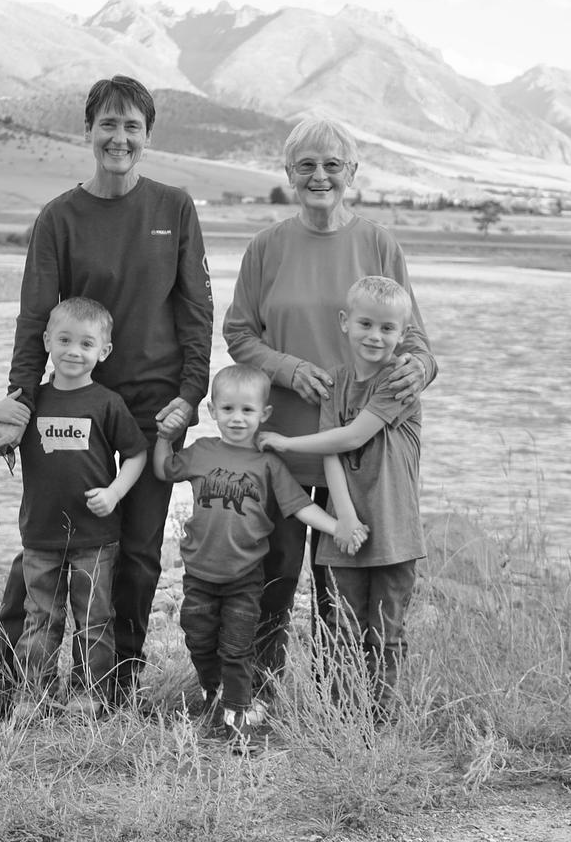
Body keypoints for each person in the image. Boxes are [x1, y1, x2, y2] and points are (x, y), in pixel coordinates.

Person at [0, 75, 213, 721]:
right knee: (46, 544)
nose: (119, 138)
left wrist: (191, 394)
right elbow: (34, 318)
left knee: (138, 553)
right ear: (88, 131)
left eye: (132, 126)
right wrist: (20, 402)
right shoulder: (59, 218)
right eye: (108, 124)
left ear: (147, 136)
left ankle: (115, 690)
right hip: (70, 404)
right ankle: (9, 686)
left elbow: (196, 311)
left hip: (153, 411)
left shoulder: (174, 208)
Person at [222, 116, 436, 707]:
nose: (320, 176)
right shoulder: (267, 247)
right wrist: (287, 368)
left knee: (338, 597)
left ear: (352, 173)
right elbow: (238, 333)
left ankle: (339, 708)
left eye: (332, 165)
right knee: (269, 581)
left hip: (362, 462)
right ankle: (254, 701)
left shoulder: (378, 244)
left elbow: (415, 340)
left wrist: (422, 368)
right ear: (289, 174)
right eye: (307, 165)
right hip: (283, 449)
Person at [154, 364, 364, 752]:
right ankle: (213, 690)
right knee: (198, 637)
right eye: (228, 409)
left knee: (238, 647)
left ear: (263, 414)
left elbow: (300, 506)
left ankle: (237, 719)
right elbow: (165, 470)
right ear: (213, 411)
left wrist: (337, 527)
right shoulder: (201, 452)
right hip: (199, 573)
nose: (237, 418)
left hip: (244, 575)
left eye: (247, 410)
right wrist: (164, 438)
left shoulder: (268, 465)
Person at [258, 276, 424, 715]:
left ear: (403, 334)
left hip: (392, 530)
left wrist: (286, 443)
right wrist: (344, 519)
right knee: (342, 627)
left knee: (385, 631)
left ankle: (379, 718)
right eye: (366, 324)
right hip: (347, 531)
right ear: (344, 322)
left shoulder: (399, 381)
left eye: (387, 328)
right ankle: (343, 717)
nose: (375, 336)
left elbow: (351, 436)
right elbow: (331, 450)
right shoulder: (335, 381)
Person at [7, 297, 148, 709]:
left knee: (94, 619)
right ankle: (36, 694)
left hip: (95, 536)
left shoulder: (107, 403)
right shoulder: (30, 403)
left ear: (104, 351)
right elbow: (3, 432)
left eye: (86, 344)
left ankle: (91, 693)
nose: (73, 351)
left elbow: (136, 454)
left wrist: (114, 493)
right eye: (64, 340)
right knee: (40, 617)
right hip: (40, 533)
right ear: (46, 341)